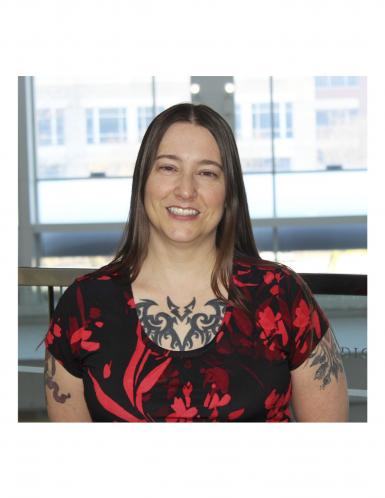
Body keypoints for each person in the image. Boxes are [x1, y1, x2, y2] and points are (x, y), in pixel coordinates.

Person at [44, 102, 349, 422]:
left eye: (206, 172)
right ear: (143, 180)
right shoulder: (82, 308)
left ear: (228, 190)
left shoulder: (281, 296)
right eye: (168, 168)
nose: (186, 190)